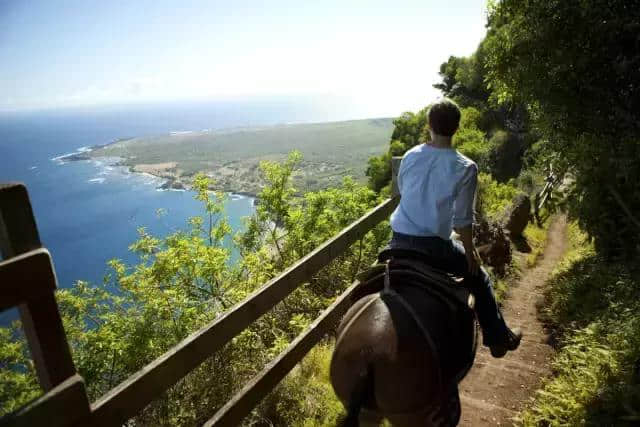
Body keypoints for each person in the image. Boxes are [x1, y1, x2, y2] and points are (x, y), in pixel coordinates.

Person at [388, 98, 522, 358]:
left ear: (429, 125)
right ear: (457, 128)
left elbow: (404, 192)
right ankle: (497, 338)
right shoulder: (465, 167)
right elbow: (462, 221)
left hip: (398, 241)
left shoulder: (410, 156)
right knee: (480, 278)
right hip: (435, 247)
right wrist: (471, 252)